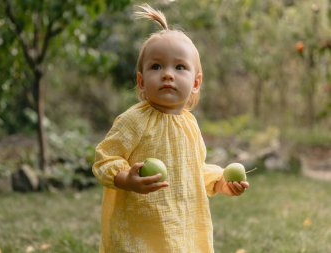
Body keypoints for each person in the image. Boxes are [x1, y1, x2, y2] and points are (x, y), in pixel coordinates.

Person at [92, 4, 249, 253]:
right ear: (141, 82)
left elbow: (193, 170)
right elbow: (104, 160)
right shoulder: (133, 120)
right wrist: (126, 179)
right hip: (139, 234)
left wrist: (220, 183)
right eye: (156, 66)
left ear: (196, 82)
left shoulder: (190, 124)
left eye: (179, 67)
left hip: (182, 231)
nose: (167, 74)